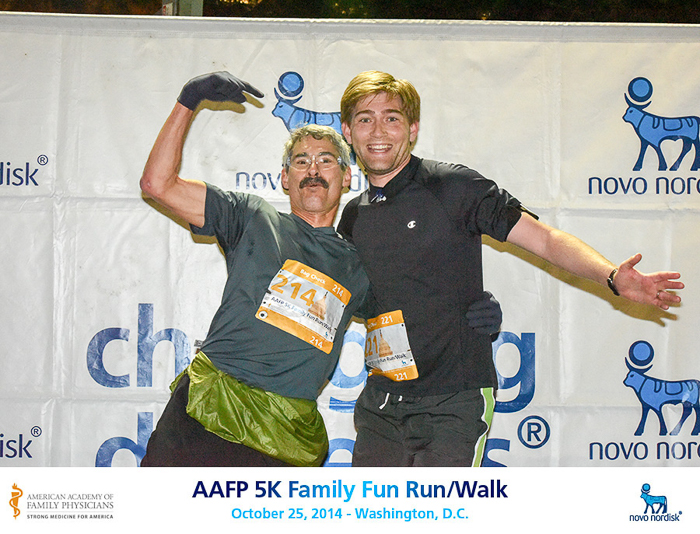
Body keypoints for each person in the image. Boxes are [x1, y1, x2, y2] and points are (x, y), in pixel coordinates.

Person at [337, 70, 684, 467]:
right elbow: (359, 299)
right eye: (365, 119)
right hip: (381, 404)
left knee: (438, 507)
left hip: (452, 401)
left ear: (412, 128)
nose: (378, 131)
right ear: (348, 131)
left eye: (392, 118)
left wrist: (610, 276)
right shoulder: (353, 216)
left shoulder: (452, 186)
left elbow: (546, 240)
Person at [138, 72, 371, 467]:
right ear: (285, 178)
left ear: (347, 176)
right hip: (205, 417)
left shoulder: (359, 266)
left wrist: (470, 311)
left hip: (285, 439)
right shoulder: (252, 216)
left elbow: (414, 314)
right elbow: (157, 185)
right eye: (301, 161)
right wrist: (188, 99)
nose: (313, 169)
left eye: (326, 160)